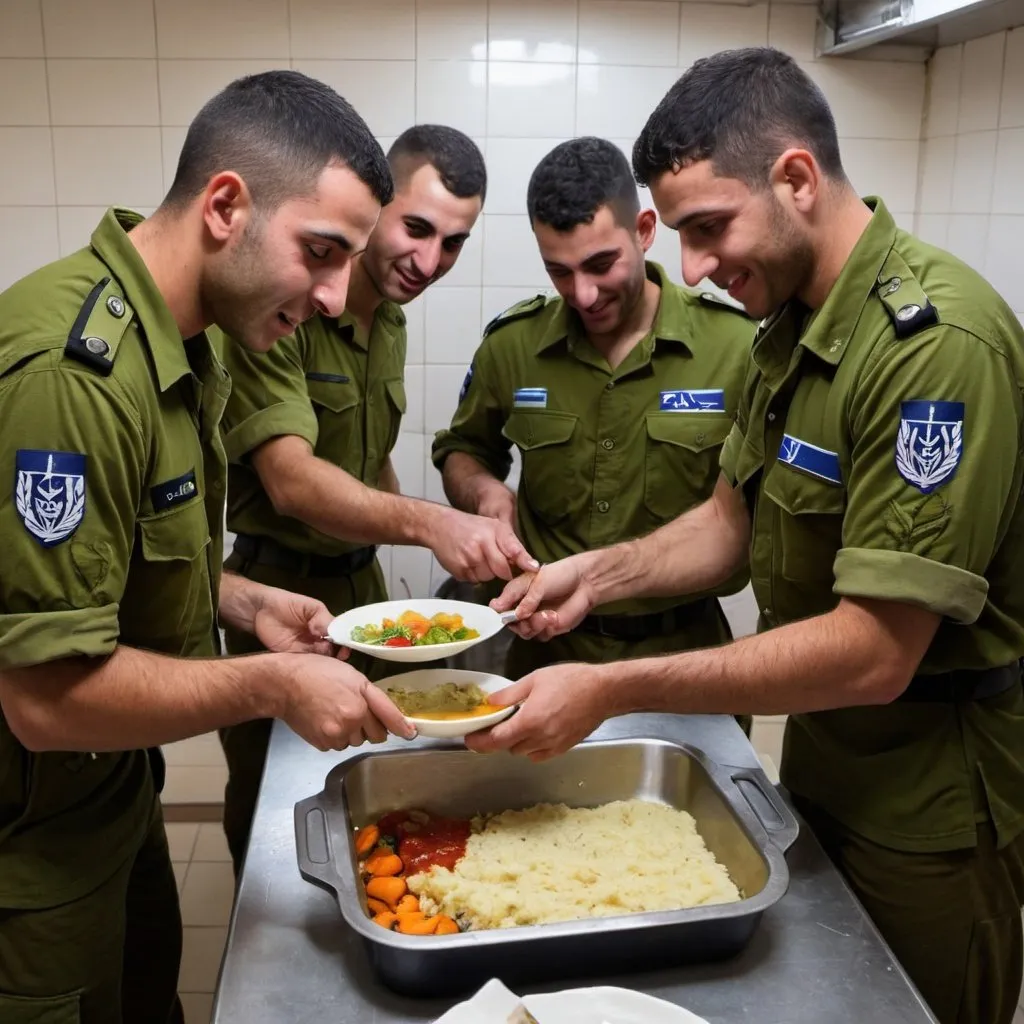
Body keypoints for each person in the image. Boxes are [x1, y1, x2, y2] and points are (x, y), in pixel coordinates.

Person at [472, 48, 1024, 1024]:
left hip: (928, 797)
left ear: (797, 178)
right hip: (822, 758)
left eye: (706, 228)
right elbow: (727, 524)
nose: (689, 269)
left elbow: (872, 652)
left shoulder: (932, 347)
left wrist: (611, 686)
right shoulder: (792, 335)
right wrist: (590, 577)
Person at [0, 70, 413, 1024]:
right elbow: (45, 698)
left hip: (114, 802)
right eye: (321, 251)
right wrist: (272, 685)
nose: (334, 292)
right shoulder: (76, 380)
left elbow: (119, 566)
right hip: (31, 854)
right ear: (226, 205)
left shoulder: (187, 346)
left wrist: (243, 602)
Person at [216, 124, 537, 874]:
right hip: (276, 594)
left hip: (361, 589)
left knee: (373, 784)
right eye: (417, 229)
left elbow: (367, 456)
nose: (430, 262)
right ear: (376, 206)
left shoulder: (388, 320)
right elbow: (293, 481)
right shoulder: (285, 306)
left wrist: (435, 561)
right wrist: (430, 524)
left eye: (453, 243)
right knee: (275, 802)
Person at [432, 137, 754, 697]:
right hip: (545, 658)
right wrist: (484, 494)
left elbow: (743, 520)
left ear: (645, 230)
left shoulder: (737, 348)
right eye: (559, 272)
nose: (583, 294)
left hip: (683, 663)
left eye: (601, 265)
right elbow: (463, 449)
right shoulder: (514, 345)